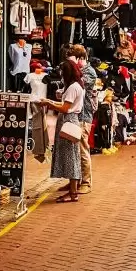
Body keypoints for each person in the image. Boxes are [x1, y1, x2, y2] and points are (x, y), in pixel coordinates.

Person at [40, 61, 85, 202]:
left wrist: (48, 103)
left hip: (68, 122)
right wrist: (50, 101)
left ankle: (73, 192)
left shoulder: (72, 87)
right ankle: (73, 189)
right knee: (72, 156)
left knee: (71, 157)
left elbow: (65, 108)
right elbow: (65, 105)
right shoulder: (78, 85)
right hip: (70, 120)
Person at [67, 45, 96, 195]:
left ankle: (86, 182)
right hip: (74, 116)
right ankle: (74, 180)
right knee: (73, 150)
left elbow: (79, 86)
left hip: (84, 116)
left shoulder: (89, 72)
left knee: (83, 149)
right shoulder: (76, 71)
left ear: (80, 58)